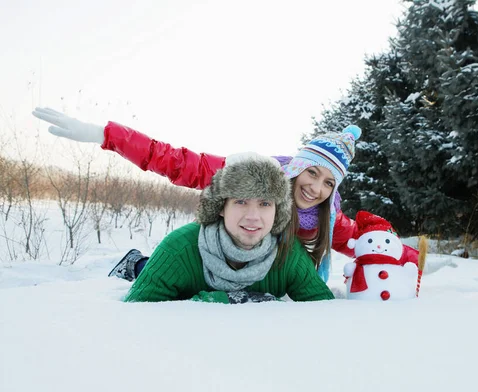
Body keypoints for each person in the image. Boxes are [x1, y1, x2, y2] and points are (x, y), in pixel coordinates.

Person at [33, 107, 364, 282]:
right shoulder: (254, 175)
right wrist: (106, 135)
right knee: (180, 278)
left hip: (265, 277)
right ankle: (136, 264)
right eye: (312, 173)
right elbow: (179, 163)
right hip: (220, 261)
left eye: (328, 183)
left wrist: (405, 256)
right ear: (297, 167)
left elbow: (366, 241)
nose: (316, 188)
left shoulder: (328, 216)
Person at [119, 152, 334, 303]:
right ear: (221, 206)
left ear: (277, 210)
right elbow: (137, 318)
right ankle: (133, 263)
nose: (253, 217)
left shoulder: (288, 252)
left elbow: (325, 311)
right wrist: (214, 301)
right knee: (149, 269)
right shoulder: (178, 248)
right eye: (241, 201)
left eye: (265, 204)